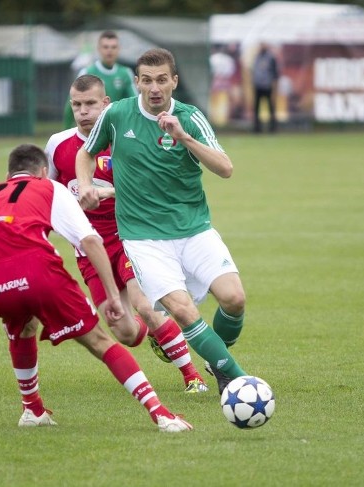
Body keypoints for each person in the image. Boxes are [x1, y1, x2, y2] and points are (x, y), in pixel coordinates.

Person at [0, 143, 192, 433]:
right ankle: (161, 414)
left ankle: (32, 410)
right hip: (39, 273)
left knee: (24, 328)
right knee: (100, 342)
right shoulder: (49, 187)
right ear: (42, 171)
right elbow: (89, 241)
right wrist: (113, 296)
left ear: (8, 174)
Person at [76, 48, 249, 395]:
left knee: (234, 299)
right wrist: (84, 185)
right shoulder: (117, 114)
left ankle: (216, 357)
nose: (154, 88)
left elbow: (225, 168)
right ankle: (238, 381)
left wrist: (183, 136)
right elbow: (86, 152)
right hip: (143, 238)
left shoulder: (191, 116)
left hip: (194, 227)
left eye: (161, 80)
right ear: (137, 82)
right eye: (147, 80)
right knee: (182, 310)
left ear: (174, 81)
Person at [46, 74, 208, 393]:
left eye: (91, 104)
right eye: (77, 105)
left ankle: (193, 376)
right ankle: (156, 334)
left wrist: (107, 193)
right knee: (123, 330)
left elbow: (149, 187)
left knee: (146, 305)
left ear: (105, 104)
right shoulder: (57, 144)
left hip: (129, 238)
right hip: (89, 251)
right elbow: (48, 191)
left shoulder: (121, 137)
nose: (83, 111)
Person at [62, 30, 137, 129]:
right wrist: (66, 131)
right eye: (106, 47)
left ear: (119, 49)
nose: (109, 50)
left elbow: (135, 102)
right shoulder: (87, 72)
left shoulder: (125, 73)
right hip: (92, 128)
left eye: (113, 47)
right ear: (99, 49)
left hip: (117, 127)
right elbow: (71, 104)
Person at [251, 42, 279, 133]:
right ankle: (257, 128)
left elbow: (275, 74)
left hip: (267, 86)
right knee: (257, 108)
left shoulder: (271, 58)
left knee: (270, 107)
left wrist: (274, 87)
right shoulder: (257, 57)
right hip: (258, 86)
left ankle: (272, 128)